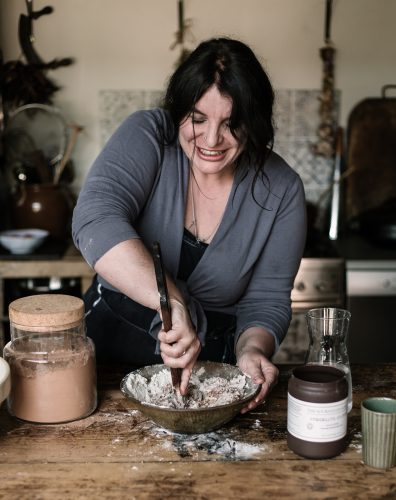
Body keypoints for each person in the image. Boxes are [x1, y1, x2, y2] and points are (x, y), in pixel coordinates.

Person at [72, 37, 307, 413]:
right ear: (178, 111)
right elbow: (95, 220)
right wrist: (173, 301)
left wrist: (251, 350)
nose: (212, 140)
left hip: (209, 376)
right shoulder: (149, 135)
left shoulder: (281, 188)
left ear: (255, 122)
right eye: (198, 119)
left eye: (232, 124)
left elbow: (266, 298)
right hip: (105, 359)